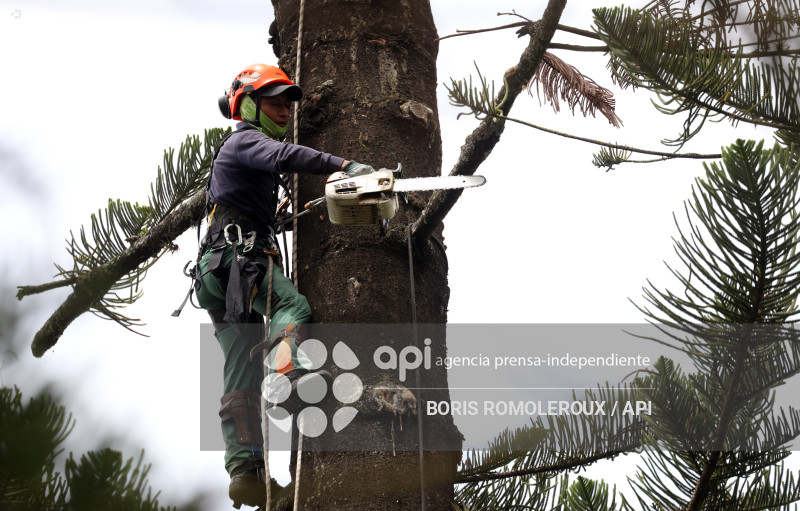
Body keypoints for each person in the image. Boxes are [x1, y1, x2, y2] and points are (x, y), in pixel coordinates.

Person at [194, 63, 373, 508]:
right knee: (292, 308)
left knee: (239, 365)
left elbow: (250, 198)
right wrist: (345, 165)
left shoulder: (237, 156)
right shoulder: (245, 141)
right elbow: (284, 156)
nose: (281, 110)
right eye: (272, 101)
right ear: (247, 105)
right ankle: (286, 372)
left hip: (215, 276)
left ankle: (244, 469)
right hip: (242, 263)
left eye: (284, 103)